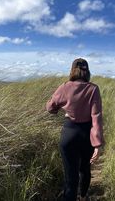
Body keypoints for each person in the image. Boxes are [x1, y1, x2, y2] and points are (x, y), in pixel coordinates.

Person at [46, 58, 104, 201]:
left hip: (69, 133)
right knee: (85, 170)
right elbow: (96, 116)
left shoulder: (65, 86)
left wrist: (59, 108)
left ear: (72, 70)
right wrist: (97, 144)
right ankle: (83, 196)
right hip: (86, 134)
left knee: (70, 176)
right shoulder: (93, 89)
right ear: (87, 71)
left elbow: (50, 107)